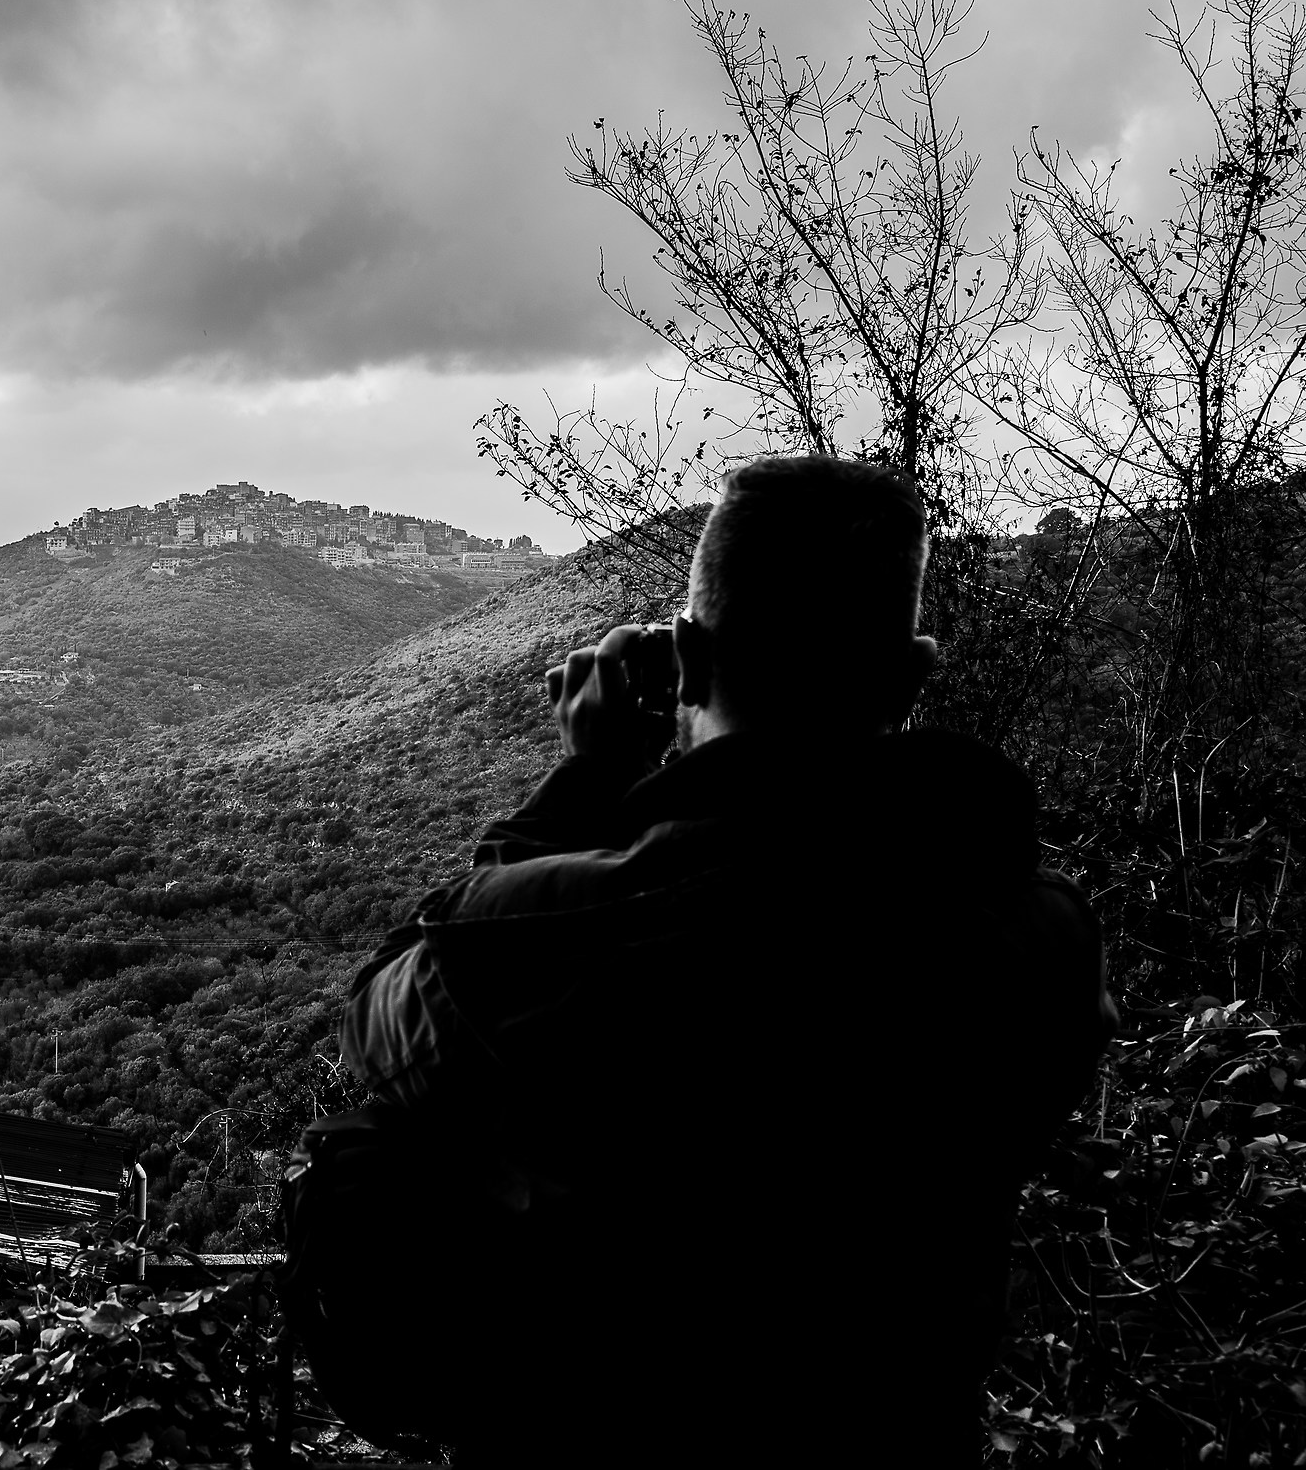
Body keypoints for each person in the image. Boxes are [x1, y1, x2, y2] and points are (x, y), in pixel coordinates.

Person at [318, 456, 1118, 1463]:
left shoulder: (556, 931)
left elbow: (381, 1012)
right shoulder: (1042, 939)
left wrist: (592, 770)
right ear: (913, 675)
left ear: (688, 658)